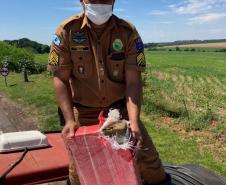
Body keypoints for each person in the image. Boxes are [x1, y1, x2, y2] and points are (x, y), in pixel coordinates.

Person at [48, 0, 171, 184]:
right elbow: (61, 79)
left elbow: (133, 82)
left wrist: (134, 121)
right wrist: (69, 120)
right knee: (79, 170)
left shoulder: (128, 33)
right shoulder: (66, 31)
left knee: (147, 160)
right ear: (82, 1)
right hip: (83, 114)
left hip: (118, 113)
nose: (99, 3)